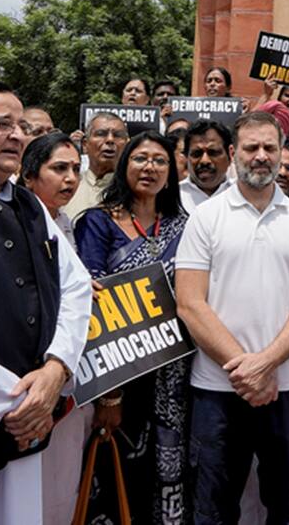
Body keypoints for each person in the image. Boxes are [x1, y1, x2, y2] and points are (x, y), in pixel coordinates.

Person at [175, 112, 289, 523]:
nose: (260, 156)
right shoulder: (206, 217)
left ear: (282, 154)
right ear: (233, 153)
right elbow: (189, 302)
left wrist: (267, 363)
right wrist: (246, 369)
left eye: (269, 148)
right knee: (212, 510)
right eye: (251, 148)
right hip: (218, 387)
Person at [0, 80, 91, 524]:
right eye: (0, 124)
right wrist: (16, 403)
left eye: (21, 125)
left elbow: (75, 286)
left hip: (27, 425)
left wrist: (55, 370)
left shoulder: (30, 206)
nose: (16, 135)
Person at [74, 131, 190, 524]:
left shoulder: (184, 225)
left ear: (171, 173)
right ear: (124, 166)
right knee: (117, 471)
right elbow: (94, 308)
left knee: (171, 470)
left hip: (176, 377)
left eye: (160, 160)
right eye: (140, 158)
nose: (150, 167)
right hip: (120, 377)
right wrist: (110, 398)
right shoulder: (97, 222)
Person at [16, 132, 96, 525]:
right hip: (31, 382)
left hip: (71, 381)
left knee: (63, 490)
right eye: (59, 169)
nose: (70, 179)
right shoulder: (18, 222)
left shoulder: (66, 223)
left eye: (75, 170)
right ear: (29, 176)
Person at [62, 112, 129, 218]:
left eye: (117, 135)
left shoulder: (134, 191)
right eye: (101, 134)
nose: (110, 140)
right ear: (85, 144)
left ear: (126, 145)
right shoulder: (65, 185)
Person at [179, 119, 233, 215]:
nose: (205, 161)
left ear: (230, 156)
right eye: (197, 153)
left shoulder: (243, 195)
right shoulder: (172, 197)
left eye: (213, 152)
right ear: (186, 157)